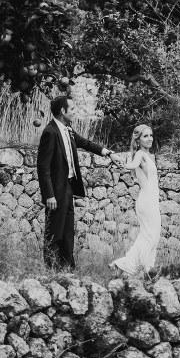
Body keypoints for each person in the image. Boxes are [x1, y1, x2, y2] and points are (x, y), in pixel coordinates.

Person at [37, 96, 118, 270]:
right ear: (62, 111)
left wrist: (107, 152)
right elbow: (43, 167)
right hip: (56, 190)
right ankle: (51, 270)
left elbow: (85, 143)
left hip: (68, 187)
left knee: (67, 232)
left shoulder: (68, 129)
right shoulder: (50, 132)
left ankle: (68, 269)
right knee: (54, 232)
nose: (75, 112)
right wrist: (49, 195)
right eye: (72, 109)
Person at [110, 124, 161, 276]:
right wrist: (122, 164)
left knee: (152, 235)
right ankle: (134, 266)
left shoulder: (148, 155)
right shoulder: (140, 154)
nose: (150, 139)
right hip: (147, 201)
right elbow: (131, 165)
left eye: (151, 135)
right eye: (145, 136)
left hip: (152, 200)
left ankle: (144, 267)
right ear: (138, 140)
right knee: (150, 235)